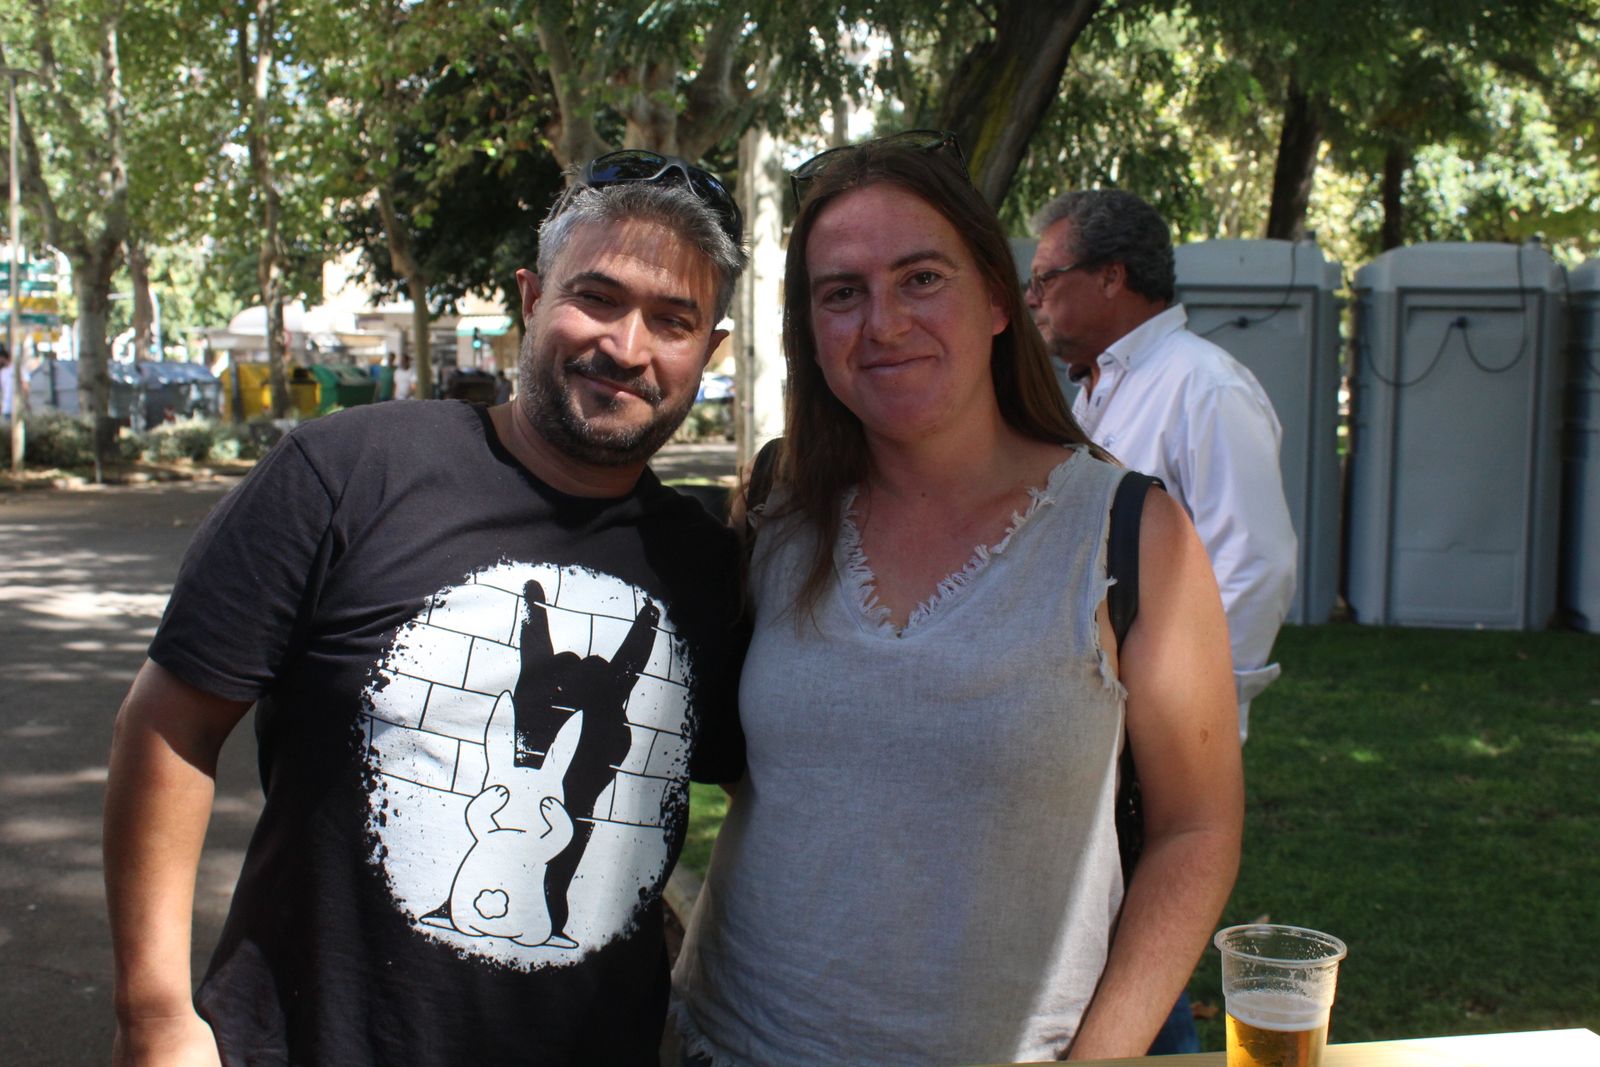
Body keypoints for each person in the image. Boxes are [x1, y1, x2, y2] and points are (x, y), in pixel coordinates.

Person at [103, 151, 749, 1066]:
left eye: (673, 320)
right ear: (530, 297)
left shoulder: (706, 565)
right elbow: (169, 723)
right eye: (597, 298)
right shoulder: (347, 471)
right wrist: (155, 1015)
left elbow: (771, 778)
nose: (627, 346)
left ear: (711, 349)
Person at [671, 131, 1243, 1064]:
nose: (884, 322)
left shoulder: (1131, 533)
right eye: (841, 292)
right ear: (811, 332)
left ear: (995, 300)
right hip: (731, 1040)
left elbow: (1197, 826)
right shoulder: (779, 507)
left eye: (922, 278)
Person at [1026, 189, 1296, 744]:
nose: (1032, 299)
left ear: (1110, 277)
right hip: (1091, 713)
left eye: (1045, 280)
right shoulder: (1098, 388)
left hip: (1167, 726)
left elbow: (1255, 562)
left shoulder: (1204, 386)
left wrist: (1191, 705)